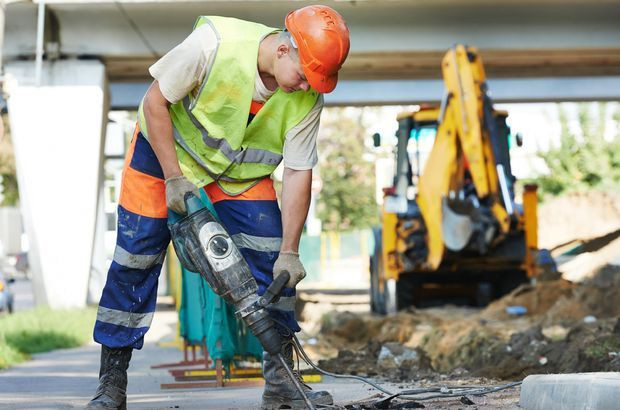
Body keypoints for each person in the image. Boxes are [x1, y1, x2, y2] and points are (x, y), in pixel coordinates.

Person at [86, 5, 350, 410]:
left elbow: (298, 173)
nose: (306, 86)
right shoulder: (214, 44)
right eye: (304, 75)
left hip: (236, 174)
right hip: (163, 156)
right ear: (284, 50)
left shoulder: (308, 96)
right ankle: (111, 386)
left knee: (273, 262)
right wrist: (174, 177)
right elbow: (155, 103)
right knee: (134, 260)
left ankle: (282, 385)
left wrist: (290, 252)